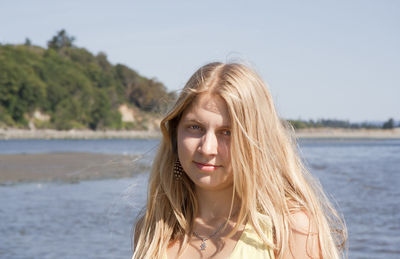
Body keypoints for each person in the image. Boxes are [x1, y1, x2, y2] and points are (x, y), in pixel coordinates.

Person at [132, 62, 347, 259]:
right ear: (176, 132)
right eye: (195, 127)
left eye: (227, 132)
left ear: (257, 141)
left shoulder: (288, 230)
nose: (207, 148)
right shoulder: (154, 231)